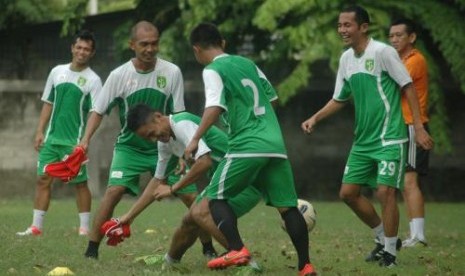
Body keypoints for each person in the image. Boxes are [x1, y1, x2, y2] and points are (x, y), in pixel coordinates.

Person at [301, 6, 433, 267]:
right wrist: (315, 117)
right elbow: (340, 97)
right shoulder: (346, 59)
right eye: (340, 25)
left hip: (390, 137)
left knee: (385, 193)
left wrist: (417, 127)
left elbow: (407, 86)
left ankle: (391, 256)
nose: (342, 30)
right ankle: (384, 237)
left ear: (363, 27)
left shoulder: (383, 52)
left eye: (347, 25)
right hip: (362, 140)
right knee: (348, 193)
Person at [184, 23, 317, 276]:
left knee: (215, 198)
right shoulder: (248, 64)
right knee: (287, 206)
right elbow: (273, 98)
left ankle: (236, 249)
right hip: (275, 143)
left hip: (247, 144)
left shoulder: (212, 70)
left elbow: (214, 107)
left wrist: (194, 140)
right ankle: (305, 266)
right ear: (222, 43)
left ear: (196, 50)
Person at [80, 21, 213, 259]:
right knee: (113, 192)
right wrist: (85, 139)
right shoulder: (118, 75)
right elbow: (98, 110)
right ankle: (91, 250)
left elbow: (179, 114)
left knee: (191, 196)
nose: (150, 49)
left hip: (165, 147)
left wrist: (183, 153)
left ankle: (208, 248)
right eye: (144, 44)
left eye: (154, 43)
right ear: (132, 45)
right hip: (130, 148)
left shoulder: (172, 72)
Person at [115, 103, 262, 267]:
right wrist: (129, 216)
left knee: (199, 211)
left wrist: (173, 188)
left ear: (158, 117)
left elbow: (204, 162)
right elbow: (157, 181)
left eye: (152, 133)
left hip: (245, 180)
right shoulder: (164, 142)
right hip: (229, 181)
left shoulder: (182, 123)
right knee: (189, 220)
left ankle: (247, 263)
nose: (153, 139)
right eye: (148, 138)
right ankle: (170, 263)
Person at [16, 30, 102, 237]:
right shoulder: (56, 72)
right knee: (43, 179)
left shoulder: (93, 80)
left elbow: (96, 112)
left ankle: (84, 228)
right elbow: (48, 103)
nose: (82, 52)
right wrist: (39, 132)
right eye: (79, 47)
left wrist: (85, 140)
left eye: (87, 49)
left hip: (73, 142)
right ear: (72, 48)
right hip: (51, 140)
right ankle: (36, 227)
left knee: (80, 183)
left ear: (92, 53)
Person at [389, 18, 430, 247]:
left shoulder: (414, 61)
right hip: (400, 126)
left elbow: (392, 84)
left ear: (411, 38)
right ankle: (414, 233)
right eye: (391, 36)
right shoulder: (399, 60)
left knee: (409, 180)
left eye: (399, 35)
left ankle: (419, 235)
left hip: (412, 125)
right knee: (403, 181)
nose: (394, 39)